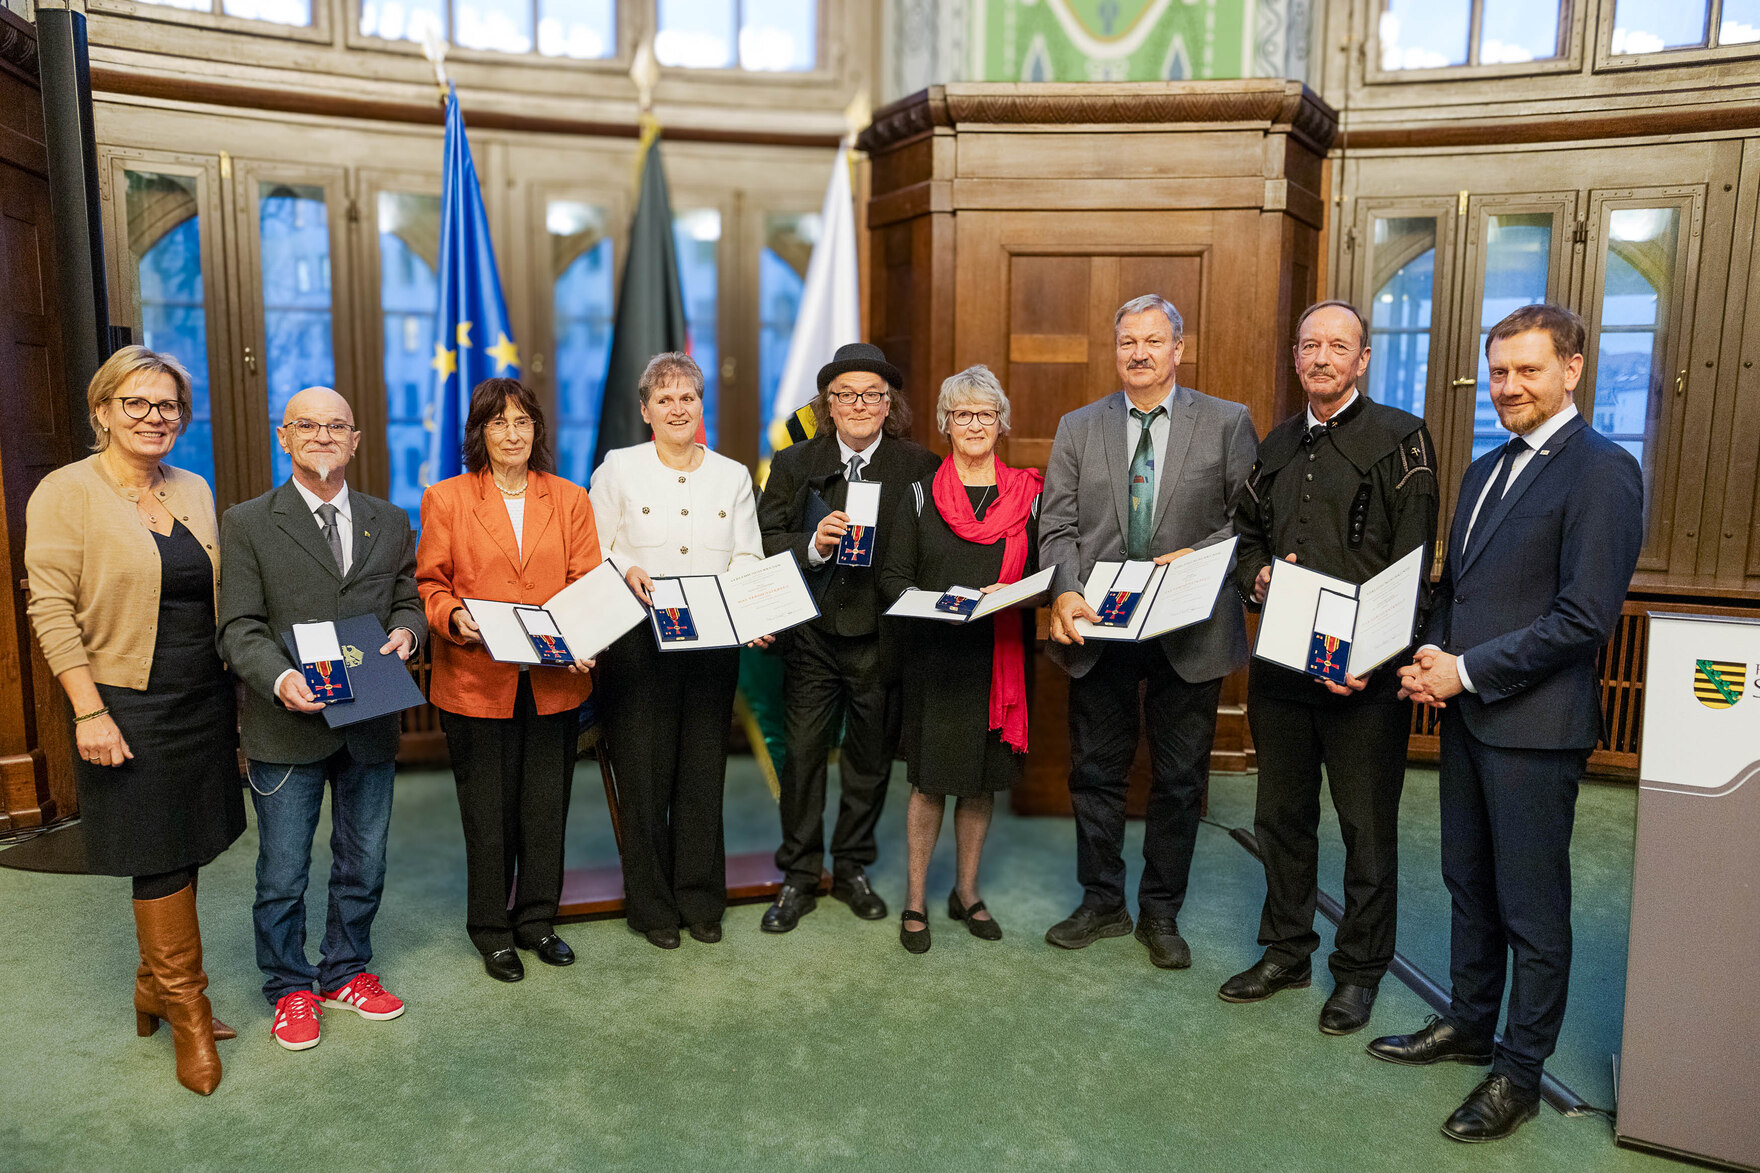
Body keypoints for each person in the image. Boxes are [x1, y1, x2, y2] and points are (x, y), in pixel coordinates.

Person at [1371, 304, 1643, 1143]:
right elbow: (1464, 591)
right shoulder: (1486, 468)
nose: (1510, 386)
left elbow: (1583, 617)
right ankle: (1468, 1022)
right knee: (1468, 884)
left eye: (1528, 370)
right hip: (1468, 719)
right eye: (1499, 372)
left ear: (1573, 369)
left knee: (1532, 908)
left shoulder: (1603, 470)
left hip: (1534, 727)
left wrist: (1467, 671)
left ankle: (1519, 1073)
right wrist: (1428, 654)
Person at [23, 346, 246, 1096]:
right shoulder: (66, 491)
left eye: (168, 406)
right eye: (138, 404)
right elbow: (48, 606)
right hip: (123, 698)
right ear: (103, 411)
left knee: (191, 840)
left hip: (201, 695)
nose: (155, 418)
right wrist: (87, 707)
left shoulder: (194, 487)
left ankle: (156, 986)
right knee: (157, 850)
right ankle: (187, 1007)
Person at [1222, 301, 1438, 1035]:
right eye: (1310, 344)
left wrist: (1372, 661)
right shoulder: (1274, 445)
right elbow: (1243, 541)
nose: (1321, 356)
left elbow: (1412, 569)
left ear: (1364, 358)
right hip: (1282, 669)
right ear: (1295, 357)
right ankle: (1286, 949)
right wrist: (1257, 579)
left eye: (1337, 345)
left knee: (1366, 830)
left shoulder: (1401, 439)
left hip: (1365, 680)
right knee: (1280, 818)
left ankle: (1359, 972)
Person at [1040, 293, 1258, 969]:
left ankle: (1161, 911)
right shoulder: (1078, 427)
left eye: (1152, 341)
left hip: (1188, 628)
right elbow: (1057, 524)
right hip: (1099, 626)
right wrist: (1067, 590)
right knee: (1096, 771)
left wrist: (1198, 557)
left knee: (1179, 778)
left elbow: (1249, 522)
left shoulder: (1226, 423)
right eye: (1127, 341)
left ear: (1178, 349)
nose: (1138, 352)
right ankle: (1102, 900)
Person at [216, 386, 426, 1052]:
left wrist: (408, 636)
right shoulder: (248, 522)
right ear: (285, 437)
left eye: (337, 424)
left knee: (363, 862)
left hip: (369, 721)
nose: (322, 434)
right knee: (283, 870)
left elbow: (408, 601)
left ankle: (346, 969)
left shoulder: (389, 520)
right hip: (288, 726)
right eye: (307, 424)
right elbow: (238, 626)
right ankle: (289, 986)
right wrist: (279, 677)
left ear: (356, 439)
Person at [416, 378, 600, 983]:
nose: (512, 433)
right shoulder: (446, 499)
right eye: (498, 423)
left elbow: (586, 584)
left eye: (522, 422)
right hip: (476, 678)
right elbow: (431, 586)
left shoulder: (571, 499)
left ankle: (538, 921)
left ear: (537, 431)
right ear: (481, 433)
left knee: (546, 807)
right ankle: (493, 929)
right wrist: (455, 617)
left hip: (554, 682)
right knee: (488, 810)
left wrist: (582, 639)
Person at [756, 342, 939, 933]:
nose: (858, 404)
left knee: (868, 762)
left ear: (888, 405)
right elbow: (763, 539)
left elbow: (935, 548)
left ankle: (853, 865)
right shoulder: (792, 464)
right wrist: (812, 544)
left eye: (871, 395)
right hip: (811, 637)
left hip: (883, 638)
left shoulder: (920, 467)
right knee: (804, 758)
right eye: (845, 395)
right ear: (827, 405)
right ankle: (800, 875)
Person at [589, 353, 766, 949]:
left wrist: (754, 610)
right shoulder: (618, 468)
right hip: (638, 642)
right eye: (663, 399)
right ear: (645, 411)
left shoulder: (733, 475)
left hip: (714, 642)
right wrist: (627, 567)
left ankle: (700, 900)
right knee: (643, 778)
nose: (677, 408)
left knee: (701, 775)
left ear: (700, 405)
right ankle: (652, 909)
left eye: (686, 397)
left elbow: (747, 557)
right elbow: (592, 549)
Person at [879, 365, 1041, 954]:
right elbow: (893, 579)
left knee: (980, 785)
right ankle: (917, 898)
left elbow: (1049, 574)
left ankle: (967, 891)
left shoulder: (1029, 493)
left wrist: (1016, 590)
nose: (975, 424)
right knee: (929, 785)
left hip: (1000, 660)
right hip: (937, 658)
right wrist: (941, 603)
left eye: (986, 414)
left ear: (1001, 424)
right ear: (946, 424)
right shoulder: (919, 495)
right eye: (963, 414)